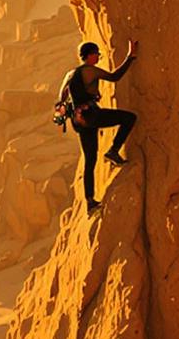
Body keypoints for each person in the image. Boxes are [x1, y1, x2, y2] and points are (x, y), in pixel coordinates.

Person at [54, 39, 139, 213]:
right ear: (90, 54)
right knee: (129, 118)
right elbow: (114, 77)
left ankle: (90, 201)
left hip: (78, 121)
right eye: (97, 53)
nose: (98, 56)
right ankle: (113, 151)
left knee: (90, 160)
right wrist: (130, 57)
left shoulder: (69, 75)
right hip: (91, 115)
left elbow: (62, 98)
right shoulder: (89, 71)